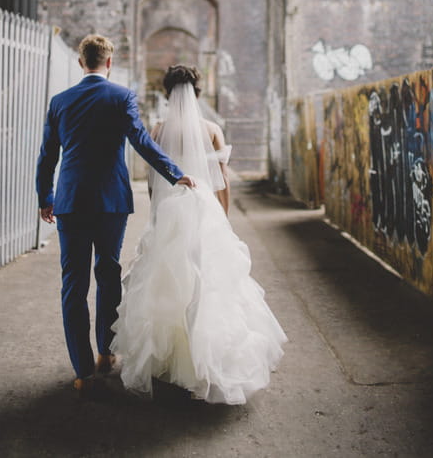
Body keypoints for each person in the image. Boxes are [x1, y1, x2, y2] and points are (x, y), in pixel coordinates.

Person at [111, 64, 287, 405]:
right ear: (197, 92)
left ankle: (170, 361)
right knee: (209, 283)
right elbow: (224, 180)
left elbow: (152, 179)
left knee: (169, 281)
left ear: (167, 92)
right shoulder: (211, 129)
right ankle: (209, 363)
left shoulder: (160, 129)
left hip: (171, 213)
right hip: (205, 213)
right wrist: (224, 216)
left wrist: (158, 212)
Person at [36, 35, 196, 399]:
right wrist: (174, 172)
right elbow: (140, 140)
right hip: (111, 200)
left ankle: (81, 370)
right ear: (108, 62)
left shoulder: (60, 102)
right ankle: (106, 352)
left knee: (72, 284)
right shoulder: (121, 96)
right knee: (107, 272)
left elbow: (47, 155)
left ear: (81, 63)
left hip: (71, 201)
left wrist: (46, 196)